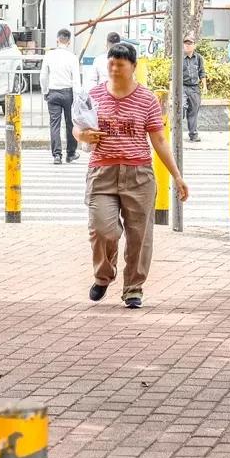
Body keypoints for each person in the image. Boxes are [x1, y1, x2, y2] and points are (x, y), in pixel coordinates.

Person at [74, 43, 190, 309]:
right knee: (102, 229)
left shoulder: (147, 99)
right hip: (102, 173)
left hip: (139, 175)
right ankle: (104, 275)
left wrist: (177, 176)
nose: (114, 69)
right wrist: (83, 136)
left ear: (133, 67)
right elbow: (77, 128)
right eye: (111, 63)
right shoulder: (94, 95)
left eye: (120, 64)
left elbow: (159, 140)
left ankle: (133, 288)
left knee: (140, 236)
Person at [40, 28, 81, 164]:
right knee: (70, 123)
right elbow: (76, 80)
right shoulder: (73, 57)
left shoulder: (49, 55)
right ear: (69, 42)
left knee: (54, 124)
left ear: (57, 40)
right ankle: (71, 153)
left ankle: (57, 155)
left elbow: (43, 76)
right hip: (68, 93)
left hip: (53, 92)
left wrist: (45, 91)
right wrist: (77, 97)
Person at [182, 36, 206, 143]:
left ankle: (193, 135)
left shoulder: (198, 58)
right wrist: (172, 90)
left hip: (194, 88)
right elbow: (172, 75)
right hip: (182, 86)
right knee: (181, 108)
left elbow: (202, 72)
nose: (187, 45)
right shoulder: (179, 58)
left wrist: (204, 86)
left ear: (194, 45)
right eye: (186, 43)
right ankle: (176, 131)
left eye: (190, 43)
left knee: (193, 112)